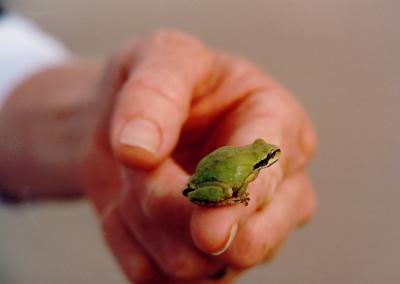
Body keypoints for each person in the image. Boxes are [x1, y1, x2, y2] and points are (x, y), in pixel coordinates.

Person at [0, 12, 318, 284]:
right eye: (268, 155)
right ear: (261, 160)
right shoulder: (250, 166)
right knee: (222, 221)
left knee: (216, 235)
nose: (271, 155)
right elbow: (239, 182)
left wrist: (98, 118)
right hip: (216, 181)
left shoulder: (245, 156)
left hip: (201, 177)